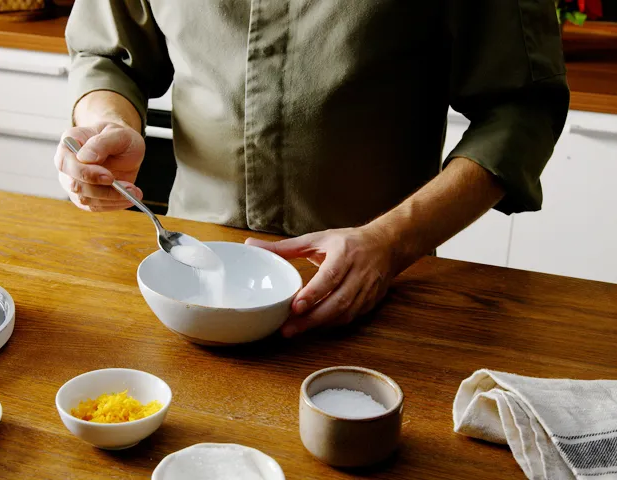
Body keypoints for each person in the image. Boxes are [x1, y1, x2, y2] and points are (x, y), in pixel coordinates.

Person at [56, 1, 569, 338]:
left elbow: (522, 108)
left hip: (380, 290)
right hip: (191, 278)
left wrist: (391, 243)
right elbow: (108, 55)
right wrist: (106, 124)